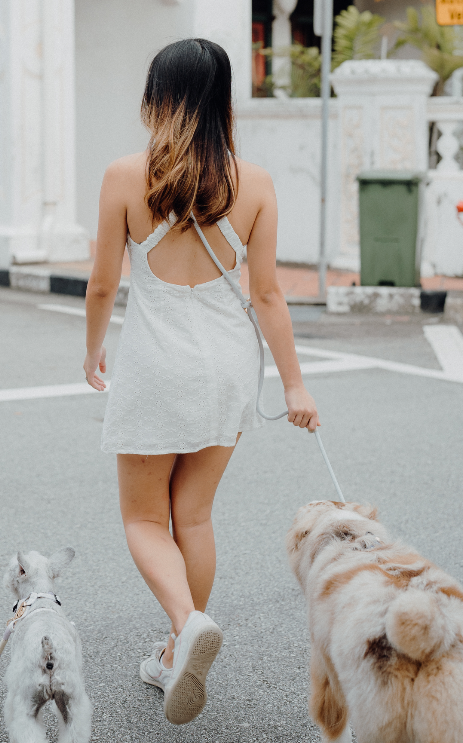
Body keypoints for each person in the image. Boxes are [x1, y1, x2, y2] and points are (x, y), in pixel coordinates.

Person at [82, 38, 320, 727]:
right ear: (223, 101)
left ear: (159, 96)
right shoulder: (257, 184)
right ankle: (172, 649)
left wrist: (92, 352)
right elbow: (269, 296)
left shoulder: (125, 176)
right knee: (195, 517)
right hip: (227, 365)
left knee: (143, 518)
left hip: (156, 363)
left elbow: (103, 283)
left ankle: (186, 624)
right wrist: (296, 385)